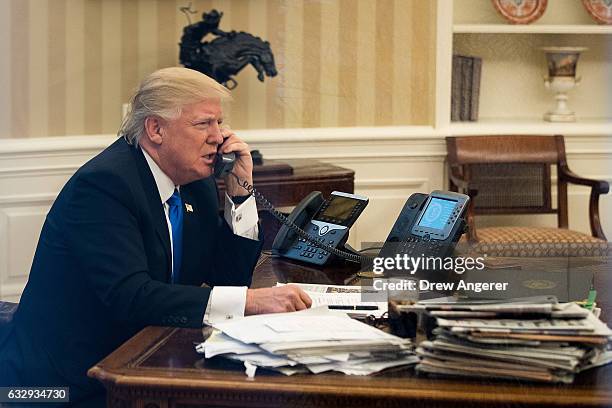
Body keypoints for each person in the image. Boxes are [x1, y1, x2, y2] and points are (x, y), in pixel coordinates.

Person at [0, 67, 311, 405]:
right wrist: (249, 302)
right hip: (63, 384)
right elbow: (133, 296)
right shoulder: (104, 186)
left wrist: (239, 195)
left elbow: (227, 277)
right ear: (156, 129)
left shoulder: (197, 183)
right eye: (204, 123)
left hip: (138, 362)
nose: (219, 136)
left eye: (219, 123)